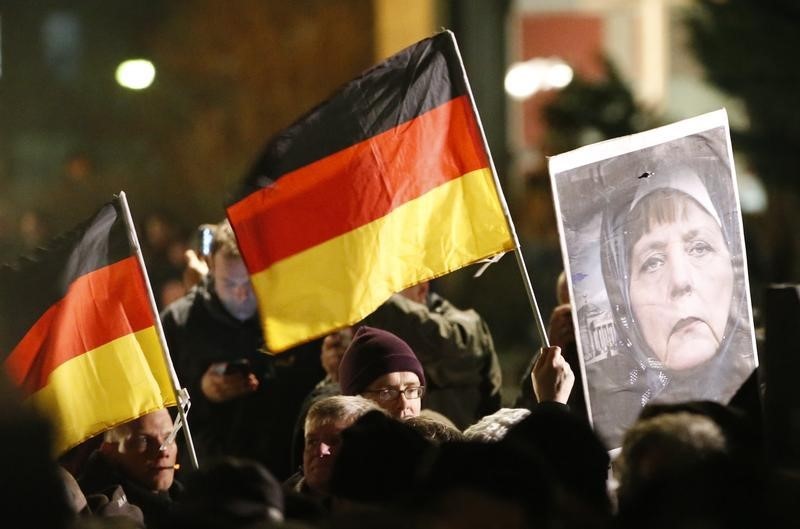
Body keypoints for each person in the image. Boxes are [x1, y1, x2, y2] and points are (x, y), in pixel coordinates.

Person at [597, 157, 756, 446]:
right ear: (624, 299)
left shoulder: (779, 397)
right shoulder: (600, 421)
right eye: (653, 262)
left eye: (699, 248)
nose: (681, 281)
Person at [161, 219, 324, 480]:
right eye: (229, 284)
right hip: (212, 473)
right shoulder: (180, 322)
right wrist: (202, 392)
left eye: (250, 284)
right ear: (211, 267)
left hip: (286, 467)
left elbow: (316, 384)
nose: (241, 295)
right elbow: (160, 408)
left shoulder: (292, 315)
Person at [360, 281, 502, 430]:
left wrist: (367, 295)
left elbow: (435, 338)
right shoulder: (377, 340)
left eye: (389, 288)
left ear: (421, 289)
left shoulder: (469, 329)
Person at [78, 409, 182, 529]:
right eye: (143, 440)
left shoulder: (187, 498)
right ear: (108, 451)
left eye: (169, 437)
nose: (163, 451)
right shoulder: (101, 511)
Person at [285, 395, 382, 509]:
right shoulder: (280, 506)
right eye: (312, 442)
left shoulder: (391, 510)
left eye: (335, 441)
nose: (320, 451)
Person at [337, 326, 426, 420]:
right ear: (354, 401)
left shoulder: (438, 433)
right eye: (387, 393)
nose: (404, 404)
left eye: (411, 390)